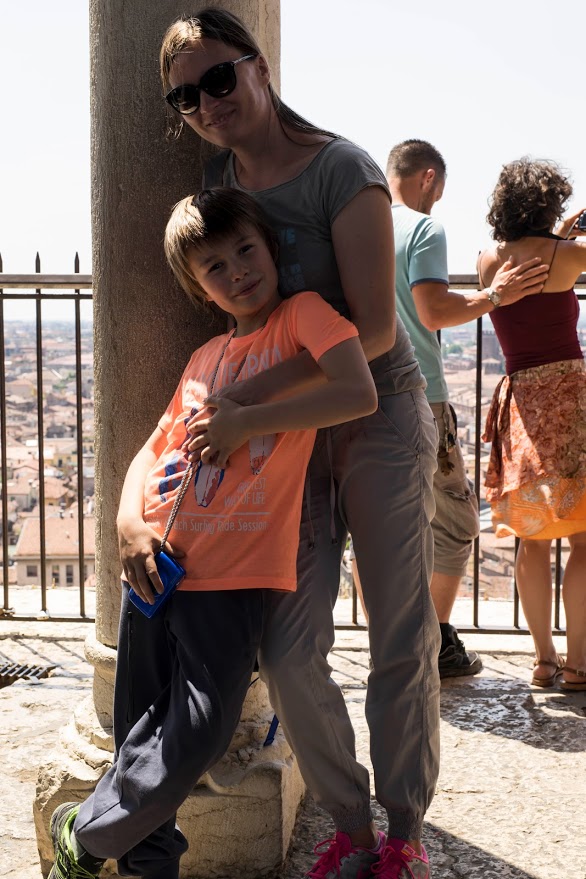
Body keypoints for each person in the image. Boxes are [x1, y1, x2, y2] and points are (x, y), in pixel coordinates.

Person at [158, 9, 440, 878]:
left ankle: (403, 831)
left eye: (218, 78)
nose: (206, 103)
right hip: (288, 443)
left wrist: (248, 400)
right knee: (286, 649)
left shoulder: (342, 169)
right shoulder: (216, 177)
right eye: (184, 96)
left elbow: (377, 331)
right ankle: (350, 822)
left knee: (399, 635)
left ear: (259, 66)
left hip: (374, 417)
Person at [47, 187, 378, 879]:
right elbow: (153, 447)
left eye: (245, 250)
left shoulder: (301, 317)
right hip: (153, 564)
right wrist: (127, 522)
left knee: (197, 730)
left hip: (232, 577)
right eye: (214, 267)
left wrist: (248, 422)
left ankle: (87, 832)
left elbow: (357, 391)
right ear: (198, 288)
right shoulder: (202, 357)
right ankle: (146, 865)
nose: (237, 272)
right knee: (139, 730)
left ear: (271, 247)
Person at [386, 140, 550, 678]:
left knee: (378, 523)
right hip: (419, 393)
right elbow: (433, 310)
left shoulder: (362, 227)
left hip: (363, 392)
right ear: (429, 178)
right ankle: (434, 643)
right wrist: (496, 296)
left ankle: (390, 641)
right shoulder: (424, 229)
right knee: (457, 522)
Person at [478, 158, 586, 692]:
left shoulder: (487, 262)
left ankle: (543, 660)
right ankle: (579, 665)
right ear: (550, 205)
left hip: (521, 403)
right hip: (570, 400)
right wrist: (569, 237)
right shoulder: (569, 257)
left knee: (532, 540)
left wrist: (558, 235)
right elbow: (562, 258)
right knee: (584, 540)